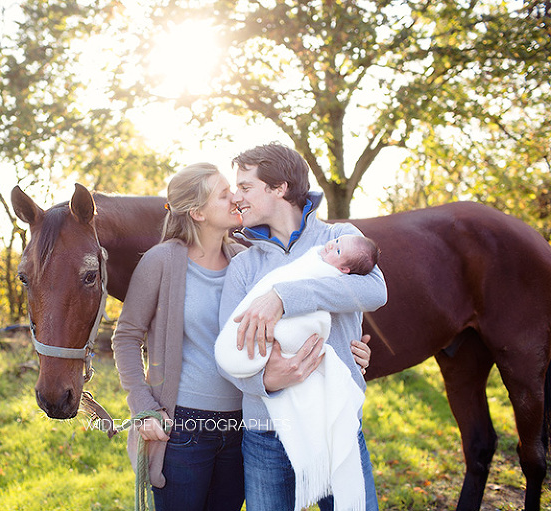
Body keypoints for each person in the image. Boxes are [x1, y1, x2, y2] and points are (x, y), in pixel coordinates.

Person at [111, 163, 373, 511]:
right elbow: (126, 336)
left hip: (241, 425)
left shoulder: (245, 260)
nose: (235, 197)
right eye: (224, 193)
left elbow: (290, 321)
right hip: (184, 427)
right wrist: (143, 407)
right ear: (197, 212)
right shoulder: (161, 261)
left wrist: (341, 354)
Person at [217, 143, 388, 511]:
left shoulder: (337, 238)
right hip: (266, 432)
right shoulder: (244, 266)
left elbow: (375, 290)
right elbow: (226, 352)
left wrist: (283, 295)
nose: (236, 197)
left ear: (279, 188)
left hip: (335, 424)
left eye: (245, 187)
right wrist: (264, 381)